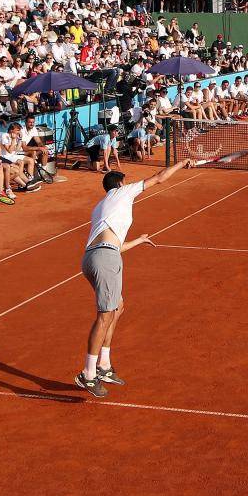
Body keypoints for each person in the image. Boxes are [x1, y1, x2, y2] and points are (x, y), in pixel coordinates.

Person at [75, 158, 193, 398]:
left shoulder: (101, 206)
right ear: (119, 184)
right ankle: (88, 374)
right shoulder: (122, 192)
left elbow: (112, 245)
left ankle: (104, 366)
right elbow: (159, 178)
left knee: (117, 307)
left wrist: (138, 240)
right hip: (105, 258)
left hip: (97, 257)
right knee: (105, 314)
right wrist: (182, 163)